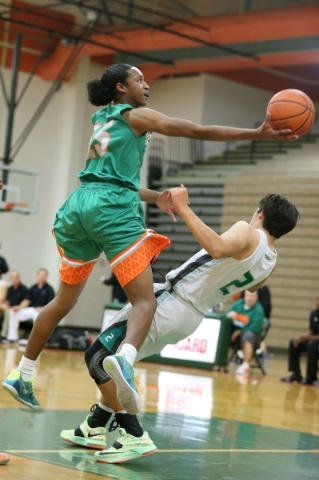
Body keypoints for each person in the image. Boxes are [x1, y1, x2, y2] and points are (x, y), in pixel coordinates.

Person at [2, 63, 297, 414]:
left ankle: (23, 371)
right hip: (110, 210)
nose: (146, 84)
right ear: (120, 88)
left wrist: (154, 196)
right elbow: (194, 129)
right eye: (138, 78)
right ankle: (125, 359)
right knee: (145, 302)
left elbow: (108, 178)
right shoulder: (135, 116)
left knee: (62, 303)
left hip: (78, 204)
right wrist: (258, 135)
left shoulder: (102, 118)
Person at [58, 191, 299, 464]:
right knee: (117, 367)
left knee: (98, 358)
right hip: (190, 317)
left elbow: (217, 248)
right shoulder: (271, 261)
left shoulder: (247, 231)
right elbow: (251, 285)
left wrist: (184, 209)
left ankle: (133, 435)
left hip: (172, 302)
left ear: (261, 213)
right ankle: (95, 426)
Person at [6, 268, 55, 343]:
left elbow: (51, 303)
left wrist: (42, 308)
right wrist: (19, 307)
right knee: (14, 312)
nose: (42, 276)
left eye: (44, 275)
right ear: (37, 276)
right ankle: (12, 337)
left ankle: (35, 340)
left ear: (47, 276)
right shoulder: (33, 287)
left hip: (42, 311)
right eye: (41, 275)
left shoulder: (50, 289)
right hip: (32, 309)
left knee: (38, 315)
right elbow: (27, 300)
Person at [281, 293, 319, 385]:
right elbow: (311, 331)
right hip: (314, 341)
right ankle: (296, 373)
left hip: (315, 343)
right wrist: (302, 337)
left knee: (311, 345)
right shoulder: (314, 313)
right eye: (317, 299)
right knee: (294, 342)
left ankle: (311, 376)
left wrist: (307, 338)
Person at [226, 290, 265, 375]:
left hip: (254, 338)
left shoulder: (259, 309)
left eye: (252, 296)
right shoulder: (238, 304)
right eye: (247, 296)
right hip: (235, 337)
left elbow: (255, 327)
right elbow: (224, 315)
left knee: (248, 335)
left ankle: (245, 365)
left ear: (256, 298)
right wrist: (229, 315)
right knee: (224, 333)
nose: (249, 298)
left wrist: (240, 331)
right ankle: (220, 360)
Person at [0, 270, 29, 341]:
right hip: (11, 309)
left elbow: (26, 301)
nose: (14, 279)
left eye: (15, 277)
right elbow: (8, 301)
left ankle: (4, 335)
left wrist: (19, 307)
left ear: (19, 278)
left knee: (9, 312)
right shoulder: (10, 289)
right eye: (12, 277)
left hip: (21, 310)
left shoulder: (24, 289)